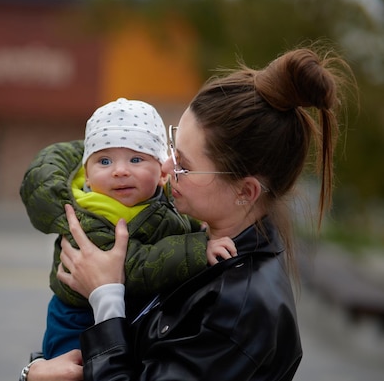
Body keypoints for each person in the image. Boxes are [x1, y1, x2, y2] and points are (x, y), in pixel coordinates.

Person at [20, 45, 355, 381]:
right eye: (173, 149)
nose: (166, 167)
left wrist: (106, 296)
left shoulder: (238, 312)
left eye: (185, 165)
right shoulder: (197, 240)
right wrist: (33, 372)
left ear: (245, 192)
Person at [20, 98, 237, 360]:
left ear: (162, 171)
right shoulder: (89, 214)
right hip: (77, 322)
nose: (120, 171)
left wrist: (200, 227)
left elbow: (172, 225)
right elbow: (132, 267)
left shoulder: (161, 199)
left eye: (135, 159)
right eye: (104, 161)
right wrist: (199, 248)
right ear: (86, 174)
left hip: (125, 312)